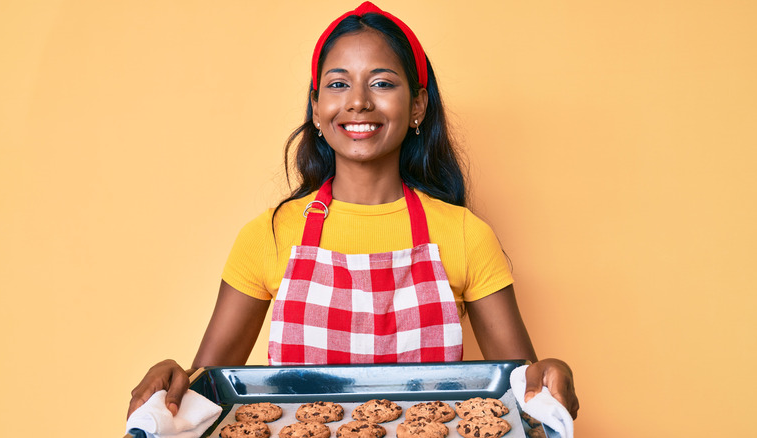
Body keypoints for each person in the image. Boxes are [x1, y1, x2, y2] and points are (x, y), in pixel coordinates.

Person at [127, 1, 579, 421]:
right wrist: (175, 380)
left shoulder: (464, 234)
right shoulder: (269, 236)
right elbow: (207, 396)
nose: (359, 100)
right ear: (318, 108)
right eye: (338, 84)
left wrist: (551, 373)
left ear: (417, 105)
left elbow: (526, 392)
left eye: (382, 83)